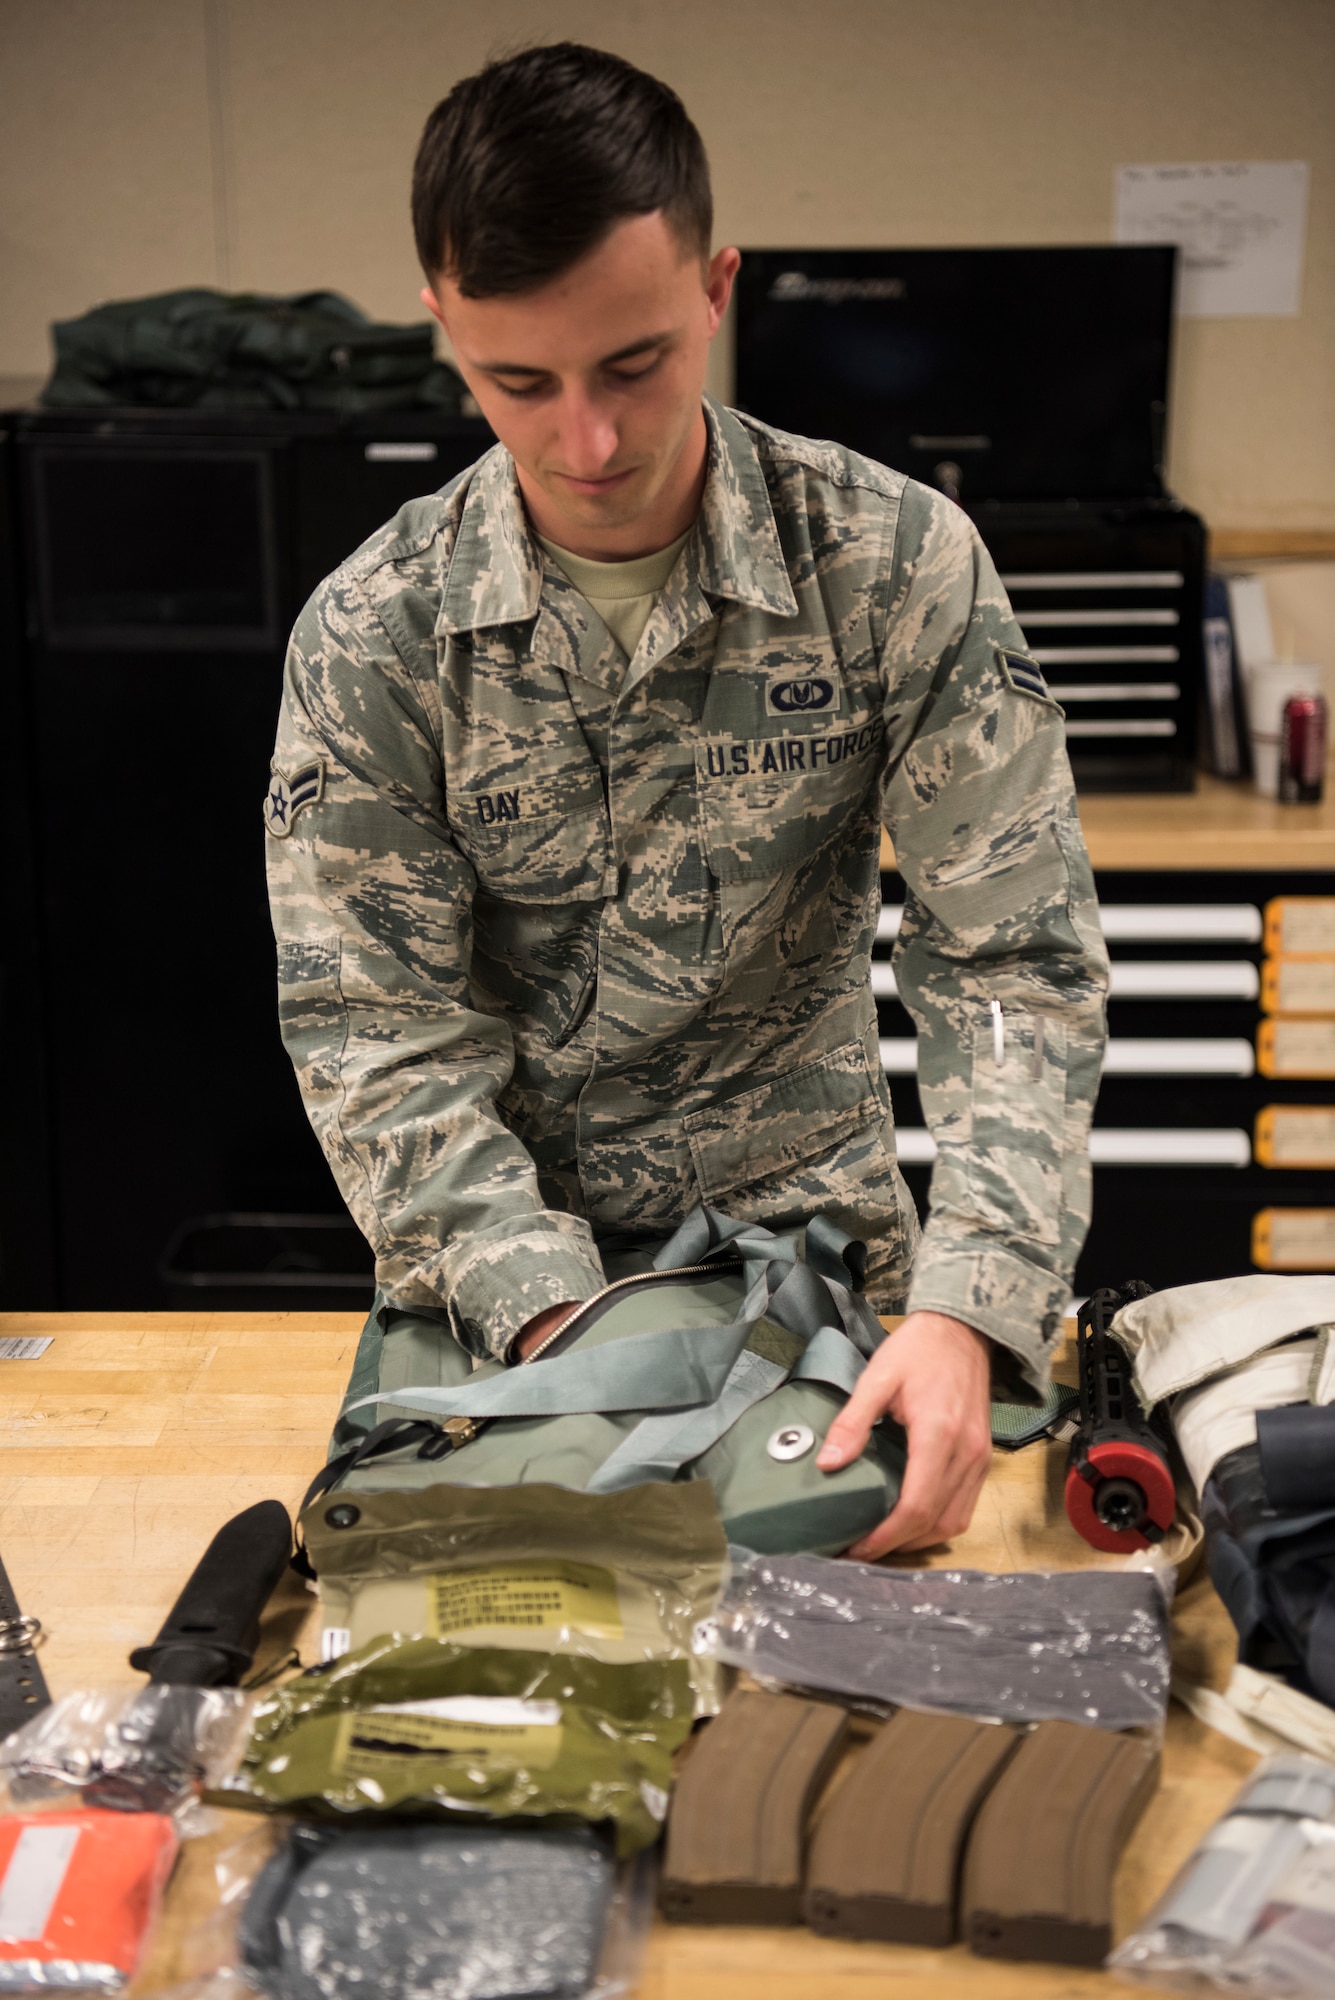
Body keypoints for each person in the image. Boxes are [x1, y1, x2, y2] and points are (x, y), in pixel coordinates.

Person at [265, 42, 1108, 1558]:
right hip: (511, 1300)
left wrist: (976, 1303)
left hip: (830, 1284)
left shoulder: (892, 566)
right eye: (517, 381)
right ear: (442, 327)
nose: (587, 443)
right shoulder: (374, 631)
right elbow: (377, 1034)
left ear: (717, 288)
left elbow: (1014, 966)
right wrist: (554, 1319)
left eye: (634, 364)